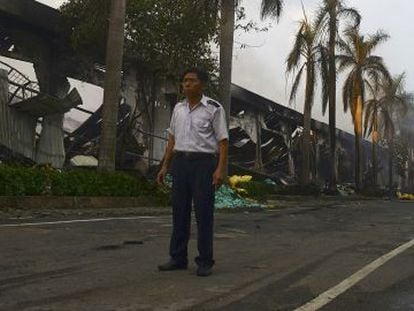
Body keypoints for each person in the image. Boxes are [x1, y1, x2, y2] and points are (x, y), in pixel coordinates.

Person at [156, 68, 229, 277]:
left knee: (204, 213)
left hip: (203, 165)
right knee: (179, 212)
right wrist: (165, 166)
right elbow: (172, 139)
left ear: (202, 85)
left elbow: (223, 142)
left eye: (192, 81)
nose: (186, 84)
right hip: (181, 163)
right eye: (184, 80)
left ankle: (205, 261)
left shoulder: (214, 109)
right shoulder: (178, 109)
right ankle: (178, 258)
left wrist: (219, 170)